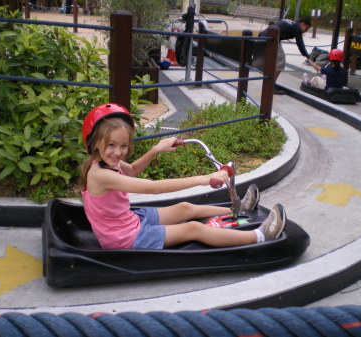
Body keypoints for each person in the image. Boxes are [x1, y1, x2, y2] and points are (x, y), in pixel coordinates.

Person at [80, 103, 287, 250]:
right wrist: (202, 179)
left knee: (184, 208)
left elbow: (132, 170)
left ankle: (239, 208)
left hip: (128, 221)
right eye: (111, 145)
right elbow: (151, 188)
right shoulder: (100, 175)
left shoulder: (106, 162)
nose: (118, 152)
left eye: (123, 146)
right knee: (193, 229)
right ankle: (260, 236)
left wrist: (156, 149)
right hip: (124, 238)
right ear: (95, 143)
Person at [256, 18, 312, 95]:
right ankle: (270, 86)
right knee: (281, 62)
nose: (306, 31)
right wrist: (307, 55)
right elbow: (300, 43)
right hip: (271, 39)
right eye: (306, 28)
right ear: (302, 24)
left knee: (272, 62)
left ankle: (269, 83)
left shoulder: (292, 24)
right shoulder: (297, 27)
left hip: (265, 37)